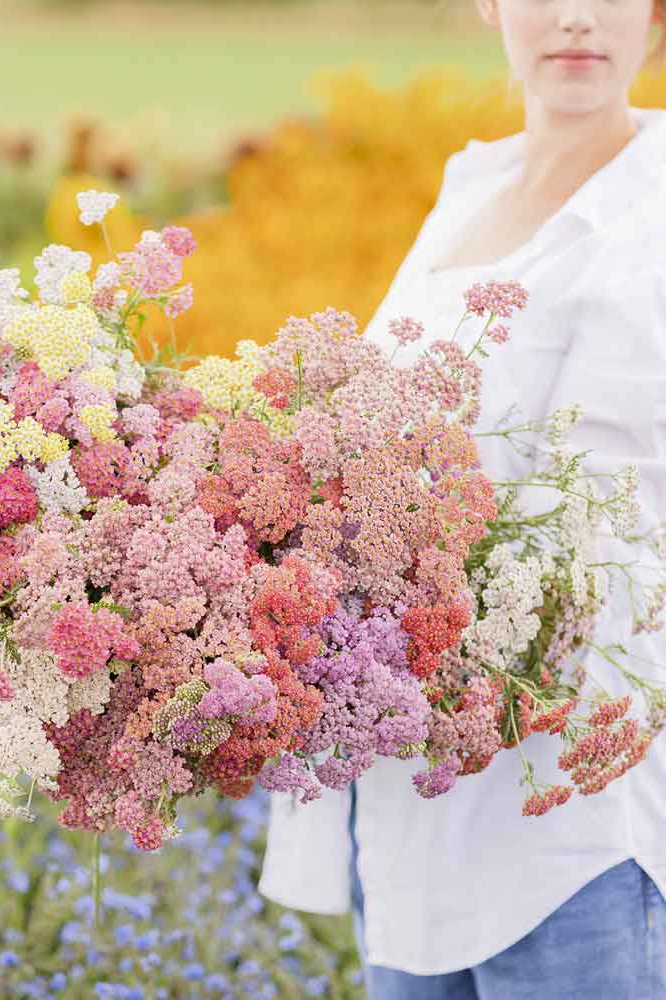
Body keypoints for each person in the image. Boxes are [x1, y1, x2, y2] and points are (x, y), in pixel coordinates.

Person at [258, 2, 666, 997]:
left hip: (568, 832)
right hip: (407, 816)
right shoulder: (471, 187)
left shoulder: (649, 213)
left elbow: (601, 526)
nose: (575, 15)